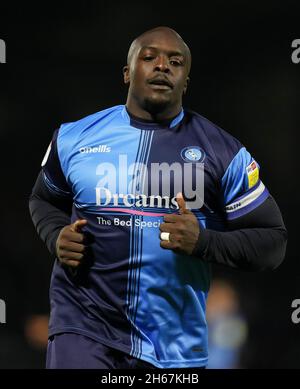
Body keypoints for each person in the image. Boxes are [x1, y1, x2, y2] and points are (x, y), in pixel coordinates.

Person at [29, 26, 287, 369]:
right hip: (83, 329)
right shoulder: (73, 138)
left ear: (186, 81)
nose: (162, 66)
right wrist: (55, 235)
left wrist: (204, 242)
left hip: (173, 347)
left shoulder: (223, 152)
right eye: (149, 57)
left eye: (175, 62)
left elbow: (272, 243)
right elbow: (43, 200)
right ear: (127, 73)